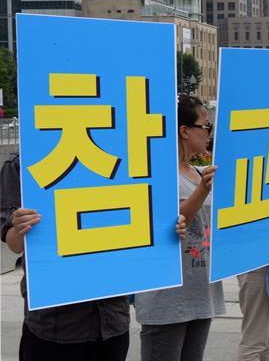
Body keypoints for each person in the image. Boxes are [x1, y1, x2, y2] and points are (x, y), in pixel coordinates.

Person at [1, 152, 185, 361]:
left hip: (112, 318)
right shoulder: (23, 160)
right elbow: (14, 244)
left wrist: (168, 228)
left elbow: (141, 218)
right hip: (55, 324)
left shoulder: (121, 153)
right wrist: (20, 226)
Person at [134, 95, 225, 361]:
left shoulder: (199, 173)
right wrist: (202, 190)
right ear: (184, 131)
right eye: (205, 126)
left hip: (200, 291)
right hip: (166, 298)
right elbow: (166, 222)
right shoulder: (157, 173)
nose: (209, 133)